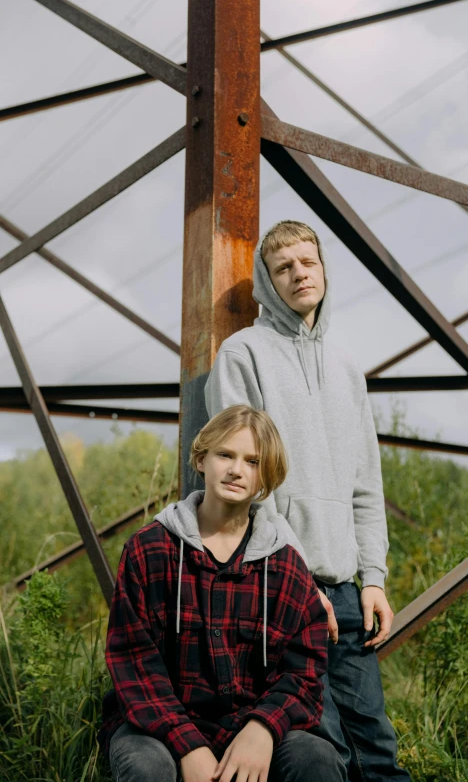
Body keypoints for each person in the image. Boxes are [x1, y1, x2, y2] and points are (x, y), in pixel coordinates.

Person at [205, 221, 410, 781]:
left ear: (323, 269)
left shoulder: (347, 368)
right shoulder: (242, 355)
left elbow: (366, 483)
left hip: (347, 592)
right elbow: (246, 485)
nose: (300, 273)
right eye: (284, 268)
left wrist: (373, 578)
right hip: (282, 590)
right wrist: (298, 580)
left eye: (308, 262)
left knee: (377, 749)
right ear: (267, 284)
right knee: (324, 753)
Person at [98, 404, 347, 782]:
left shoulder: (286, 565)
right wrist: (188, 745)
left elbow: (304, 672)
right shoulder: (150, 550)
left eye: (252, 461)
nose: (236, 470)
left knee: (316, 757)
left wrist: (263, 729)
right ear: (201, 459)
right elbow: (134, 663)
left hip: (249, 726)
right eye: (225, 455)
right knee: (147, 766)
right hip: (158, 725)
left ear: (266, 477)